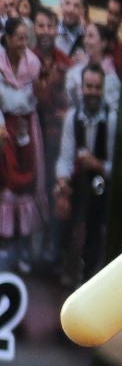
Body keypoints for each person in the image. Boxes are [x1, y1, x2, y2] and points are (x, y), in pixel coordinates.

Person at [54, 61, 114, 284]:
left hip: (102, 182)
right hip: (80, 179)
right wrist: (62, 181)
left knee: (94, 228)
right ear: (82, 88)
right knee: (67, 217)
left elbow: (111, 166)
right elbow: (65, 157)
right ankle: (62, 267)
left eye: (97, 87)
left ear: (102, 89)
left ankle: (87, 274)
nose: (92, 92)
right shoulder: (72, 116)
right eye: (89, 86)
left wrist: (96, 164)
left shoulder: (111, 119)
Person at [0, 17, 42, 248]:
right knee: (4, 180)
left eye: (26, 38)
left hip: (26, 126)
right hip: (2, 125)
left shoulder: (33, 63)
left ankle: (19, 243)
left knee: (26, 181)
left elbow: (38, 98)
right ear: (7, 38)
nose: (23, 43)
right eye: (19, 38)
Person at [62, 22, 119, 114]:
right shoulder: (78, 66)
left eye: (91, 36)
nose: (85, 41)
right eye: (85, 36)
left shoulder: (111, 77)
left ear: (103, 43)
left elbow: (111, 110)